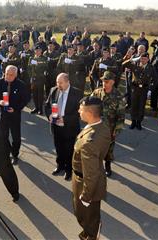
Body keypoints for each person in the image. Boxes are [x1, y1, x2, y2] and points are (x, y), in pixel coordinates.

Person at [72, 96, 111, 240]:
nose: (78, 111)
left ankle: (91, 234)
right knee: (91, 214)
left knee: (84, 214)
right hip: (93, 176)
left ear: (89, 113)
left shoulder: (90, 142)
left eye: (80, 110)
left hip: (85, 182)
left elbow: (91, 173)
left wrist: (86, 196)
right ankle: (90, 230)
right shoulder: (102, 126)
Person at [45, 73, 83, 180]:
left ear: (68, 82)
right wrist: (49, 116)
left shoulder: (77, 93)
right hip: (56, 126)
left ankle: (69, 170)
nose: (58, 85)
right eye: (57, 82)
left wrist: (65, 119)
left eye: (60, 83)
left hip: (70, 127)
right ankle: (59, 166)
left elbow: (80, 112)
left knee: (69, 150)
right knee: (58, 147)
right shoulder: (54, 90)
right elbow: (47, 105)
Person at [91, 71, 125, 177]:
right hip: (96, 127)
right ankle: (96, 166)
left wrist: (117, 130)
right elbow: (89, 104)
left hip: (110, 128)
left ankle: (108, 165)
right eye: (103, 81)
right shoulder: (97, 93)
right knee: (96, 147)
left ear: (113, 82)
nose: (104, 84)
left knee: (108, 148)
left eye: (107, 82)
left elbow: (121, 116)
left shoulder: (118, 96)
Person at [0, 65, 29, 165]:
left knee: (16, 138)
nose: (8, 76)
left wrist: (16, 108)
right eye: (6, 74)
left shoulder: (21, 85)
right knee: (3, 136)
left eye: (11, 75)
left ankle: (15, 154)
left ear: (16, 75)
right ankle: (7, 151)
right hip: (2, 115)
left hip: (15, 115)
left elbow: (25, 100)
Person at [123, 52, 157, 130]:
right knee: (134, 106)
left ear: (148, 59)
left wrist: (150, 90)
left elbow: (155, 80)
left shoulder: (151, 68)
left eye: (145, 59)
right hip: (134, 89)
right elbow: (124, 64)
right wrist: (131, 59)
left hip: (144, 90)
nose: (143, 60)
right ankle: (133, 121)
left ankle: (139, 122)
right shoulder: (135, 65)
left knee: (141, 106)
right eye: (141, 58)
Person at [28, 45, 48, 115]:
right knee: (34, 94)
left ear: (41, 51)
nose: (37, 52)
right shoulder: (31, 58)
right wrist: (30, 77)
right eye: (36, 50)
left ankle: (40, 109)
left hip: (40, 78)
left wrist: (37, 64)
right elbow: (29, 68)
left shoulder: (44, 58)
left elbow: (45, 65)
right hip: (33, 79)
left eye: (39, 50)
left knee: (40, 94)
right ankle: (36, 107)